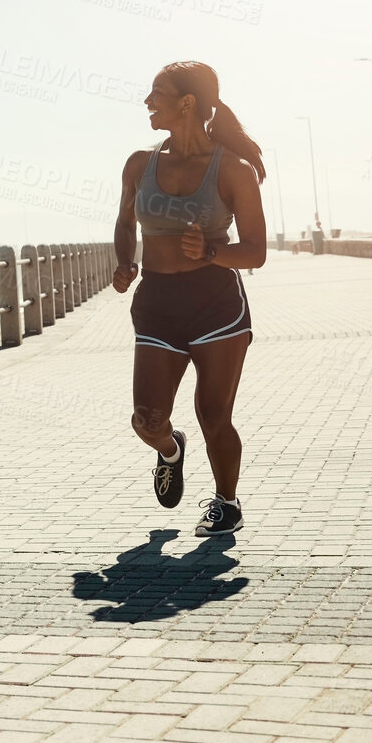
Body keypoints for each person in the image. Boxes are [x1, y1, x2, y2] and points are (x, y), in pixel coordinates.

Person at [111, 61, 267, 537]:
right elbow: (124, 222)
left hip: (215, 303)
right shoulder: (140, 163)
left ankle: (226, 503)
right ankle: (169, 450)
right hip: (157, 300)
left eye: (156, 92)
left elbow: (256, 252)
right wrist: (124, 262)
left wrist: (213, 251)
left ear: (186, 102)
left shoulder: (233, 170)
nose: (147, 101)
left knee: (214, 414)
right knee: (146, 419)